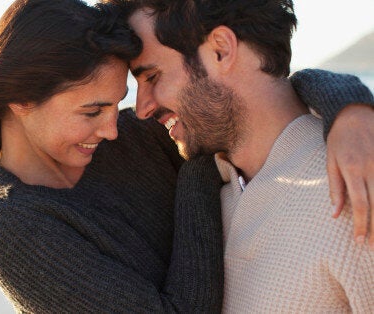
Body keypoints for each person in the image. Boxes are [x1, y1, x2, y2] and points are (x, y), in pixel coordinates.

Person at [0, 0, 373, 312]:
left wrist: (350, 105)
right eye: (93, 109)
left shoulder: (351, 182)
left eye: (146, 80)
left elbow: (273, 97)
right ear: (21, 99)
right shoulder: (16, 222)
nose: (125, 120)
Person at [117, 0, 374, 311]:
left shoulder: (356, 183)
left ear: (221, 50)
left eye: (152, 77)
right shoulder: (207, 195)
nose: (142, 108)